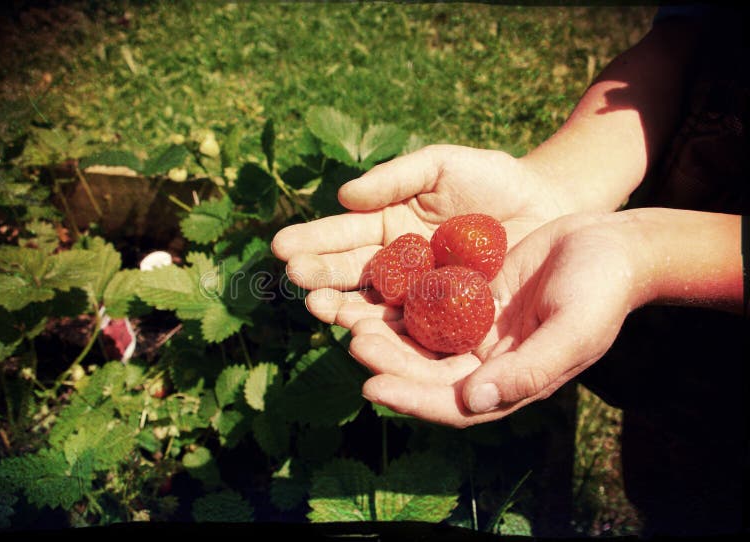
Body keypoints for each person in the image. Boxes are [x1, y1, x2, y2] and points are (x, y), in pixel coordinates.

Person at [272, 6, 748, 536]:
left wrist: (649, 253)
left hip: (735, 388)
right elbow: (681, 42)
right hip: (669, 361)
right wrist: (560, 184)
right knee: (663, 483)